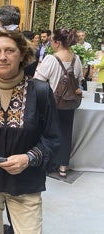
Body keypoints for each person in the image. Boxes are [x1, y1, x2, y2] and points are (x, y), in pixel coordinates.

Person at [0, 30, 61, 233]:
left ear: (22, 54)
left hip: (26, 184)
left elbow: (53, 138)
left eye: (10, 50)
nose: (2, 57)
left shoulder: (41, 92)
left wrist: (28, 158)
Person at [34, 28, 83, 177]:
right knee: (66, 133)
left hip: (52, 103)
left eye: (52, 40)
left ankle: (49, 164)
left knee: (49, 133)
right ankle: (63, 167)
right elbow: (80, 79)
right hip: (70, 103)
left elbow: (38, 79)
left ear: (57, 42)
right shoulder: (76, 58)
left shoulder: (51, 58)